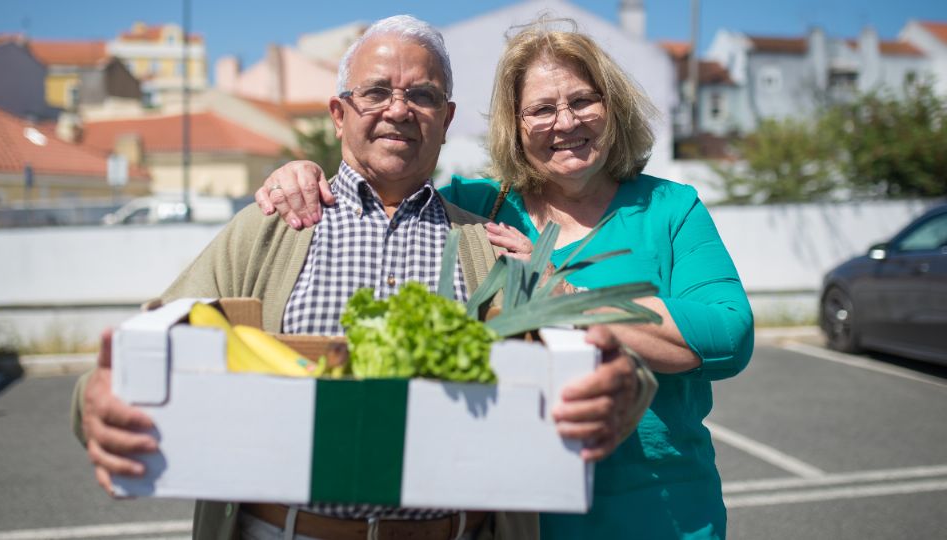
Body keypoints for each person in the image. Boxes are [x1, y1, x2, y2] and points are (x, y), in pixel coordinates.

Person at [70, 15, 567, 540]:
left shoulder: (488, 247)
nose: (398, 109)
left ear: (446, 120)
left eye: (422, 95)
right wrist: (97, 396)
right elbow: (151, 342)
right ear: (338, 114)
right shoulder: (270, 226)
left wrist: (619, 386)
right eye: (376, 92)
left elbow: (581, 372)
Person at [256, 20, 754, 540]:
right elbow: (389, 184)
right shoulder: (479, 208)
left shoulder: (668, 209)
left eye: (583, 100)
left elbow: (728, 335)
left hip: (660, 513)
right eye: (541, 109)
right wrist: (302, 171)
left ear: (613, 106)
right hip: (518, 516)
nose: (565, 122)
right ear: (515, 127)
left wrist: (562, 294)